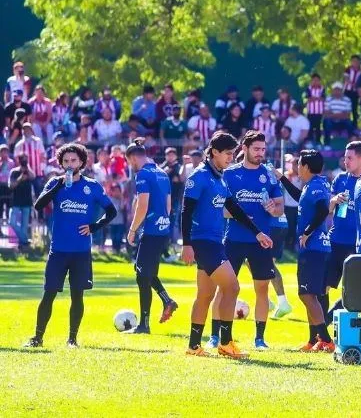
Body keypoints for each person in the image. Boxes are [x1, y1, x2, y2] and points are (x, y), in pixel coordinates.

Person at [181, 131, 273, 359]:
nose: (231, 157)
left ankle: (194, 346)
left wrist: (257, 232)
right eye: (228, 153)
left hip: (214, 242)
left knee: (205, 294)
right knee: (232, 287)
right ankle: (225, 343)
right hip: (203, 242)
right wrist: (186, 244)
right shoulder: (199, 176)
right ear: (214, 152)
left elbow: (235, 209)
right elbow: (185, 211)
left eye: (233, 153)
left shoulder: (219, 177)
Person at [23, 143, 117, 348]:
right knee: (48, 294)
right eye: (65, 161)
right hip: (58, 251)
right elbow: (38, 206)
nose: (69, 164)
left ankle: (72, 339)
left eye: (73, 160)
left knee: (77, 296)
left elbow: (112, 212)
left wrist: (94, 226)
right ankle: (37, 338)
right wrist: (57, 187)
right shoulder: (54, 183)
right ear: (60, 162)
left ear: (82, 162)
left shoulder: (92, 186)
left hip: (81, 252)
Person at [208, 131, 284, 350]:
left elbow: (279, 207)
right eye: (256, 149)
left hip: (262, 241)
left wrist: (274, 208)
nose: (260, 154)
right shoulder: (229, 173)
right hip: (233, 239)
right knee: (223, 288)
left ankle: (260, 339)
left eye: (263, 149)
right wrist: (236, 214)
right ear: (244, 148)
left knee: (262, 289)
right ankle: (215, 335)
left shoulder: (268, 175)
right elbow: (219, 207)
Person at [277, 149, 334, 352]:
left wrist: (308, 232)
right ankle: (313, 340)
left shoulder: (317, 185)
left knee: (306, 294)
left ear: (307, 167)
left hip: (315, 248)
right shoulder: (313, 185)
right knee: (312, 295)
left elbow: (322, 209)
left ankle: (326, 339)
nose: (297, 168)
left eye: (299, 164)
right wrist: (282, 178)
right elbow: (300, 198)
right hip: (315, 249)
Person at [124, 138, 178, 334]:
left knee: (142, 275)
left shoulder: (143, 175)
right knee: (145, 271)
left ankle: (144, 325)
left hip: (151, 231)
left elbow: (142, 205)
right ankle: (167, 301)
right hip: (162, 230)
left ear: (133, 158)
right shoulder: (162, 173)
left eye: (130, 162)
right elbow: (169, 205)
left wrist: (132, 230)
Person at [323, 141, 361, 324]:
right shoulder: (341, 179)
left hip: (357, 244)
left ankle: (332, 318)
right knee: (323, 285)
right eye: (345, 157)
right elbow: (327, 209)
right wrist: (333, 200)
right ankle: (321, 330)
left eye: (350, 158)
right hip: (336, 240)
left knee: (354, 290)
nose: (345, 161)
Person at [9, 153, 35, 250]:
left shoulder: (29, 171)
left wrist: (27, 169)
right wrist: (20, 179)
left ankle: (23, 246)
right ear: (19, 161)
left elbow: (33, 177)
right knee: (12, 222)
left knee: (24, 226)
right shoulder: (14, 172)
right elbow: (11, 186)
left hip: (27, 202)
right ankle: (25, 240)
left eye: (26, 160)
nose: (24, 161)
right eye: (23, 160)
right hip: (16, 201)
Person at [304, 74, 325, 144]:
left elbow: (323, 99)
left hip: (319, 112)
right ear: (311, 81)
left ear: (319, 81)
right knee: (310, 127)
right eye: (314, 80)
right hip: (310, 111)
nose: (315, 82)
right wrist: (317, 98)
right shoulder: (308, 88)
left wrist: (314, 98)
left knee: (318, 127)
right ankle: (310, 141)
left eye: (317, 80)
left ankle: (318, 141)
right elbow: (308, 99)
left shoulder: (322, 88)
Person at [342, 55, 361, 126]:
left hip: (355, 92)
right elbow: (346, 79)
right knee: (345, 107)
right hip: (347, 91)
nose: (355, 63)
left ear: (359, 62)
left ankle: (354, 124)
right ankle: (344, 122)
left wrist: (357, 86)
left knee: (354, 108)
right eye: (353, 61)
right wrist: (354, 84)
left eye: (356, 61)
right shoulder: (348, 69)